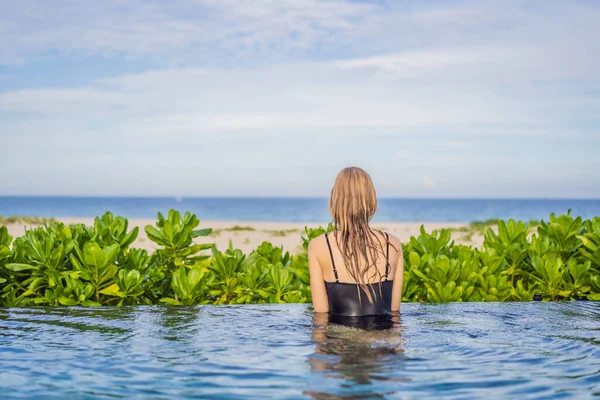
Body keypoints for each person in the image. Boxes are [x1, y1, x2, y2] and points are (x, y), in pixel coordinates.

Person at [308, 167, 404, 323]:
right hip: (383, 342)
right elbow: (395, 316)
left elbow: (321, 317)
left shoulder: (318, 246)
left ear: (335, 199)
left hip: (341, 344)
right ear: (371, 199)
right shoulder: (393, 244)